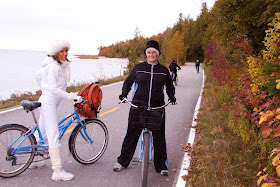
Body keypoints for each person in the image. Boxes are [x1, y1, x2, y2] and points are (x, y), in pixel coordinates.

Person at [113, 40, 176, 176]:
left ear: (158, 54)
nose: (151, 54)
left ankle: (161, 166)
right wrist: (124, 94)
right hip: (137, 107)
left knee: (159, 137)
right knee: (131, 134)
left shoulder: (164, 71)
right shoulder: (138, 68)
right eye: (149, 52)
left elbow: (170, 87)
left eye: (154, 52)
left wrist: (172, 96)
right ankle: (122, 161)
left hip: (157, 107)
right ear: (146, 53)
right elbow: (128, 82)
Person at [31, 40, 82, 181]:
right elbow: (54, 89)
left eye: (66, 51)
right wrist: (70, 96)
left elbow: (37, 76)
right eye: (62, 51)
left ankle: (34, 160)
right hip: (49, 102)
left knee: (41, 131)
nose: (65, 54)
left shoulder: (54, 65)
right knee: (53, 134)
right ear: (56, 53)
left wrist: (44, 88)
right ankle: (57, 171)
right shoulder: (53, 66)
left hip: (47, 100)